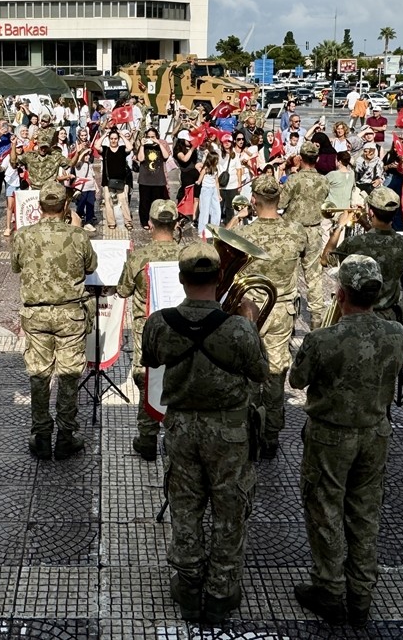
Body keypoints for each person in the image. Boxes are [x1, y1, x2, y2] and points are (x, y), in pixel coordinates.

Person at [141, 241, 268, 624]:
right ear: (220, 276)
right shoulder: (239, 328)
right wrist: (249, 320)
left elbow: (151, 359)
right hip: (229, 431)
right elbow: (261, 372)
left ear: (181, 279)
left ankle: (188, 585)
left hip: (181, 428)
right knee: (230, 509)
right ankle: (221, 592)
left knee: (185, 505)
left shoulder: (159, 323)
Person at [290, 254, 403, 627]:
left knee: (325, 508)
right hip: (375, 433)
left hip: (330, 436)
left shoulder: (322, 339)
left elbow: (296, 379)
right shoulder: (397, 334)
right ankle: (361, 594)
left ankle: (329, 589)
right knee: (365, 511)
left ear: (340, 294)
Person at [10, 182, 96, 461]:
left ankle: (42, 436)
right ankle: (66, 437)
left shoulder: (23, 235)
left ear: (39, 206)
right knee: (69, 376)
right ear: (65, 206)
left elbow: (16, 266)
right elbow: (91, 266)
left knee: (39, 375)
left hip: (36, 316)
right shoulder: (78, 235)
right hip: (70, 315)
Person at [236, 174, 308, 457]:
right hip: (282, 310)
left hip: (250, 309)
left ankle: (249, 429)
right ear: (279, 199)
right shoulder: (296, 232)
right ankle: (271, 436)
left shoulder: (244, 234)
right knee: (276, 372)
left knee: (249, 370)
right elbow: (310, 266)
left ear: (253, 200)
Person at [115, 199, 183, 460]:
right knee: (179, 380)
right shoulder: (187, 255)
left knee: (147, 382)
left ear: (150, 224)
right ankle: (176, 435)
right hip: (181, 329)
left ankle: (147, 439)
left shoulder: (139, 257)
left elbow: (123, 290)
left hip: (148, 331)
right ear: (176, 224)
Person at [324, 187, 403, 324]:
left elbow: (325, 259)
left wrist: (340, 226)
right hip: (390, 319)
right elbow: (381, 241)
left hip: (358, 318)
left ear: (371, 212)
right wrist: (365, 223)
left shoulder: (354, 243)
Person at [280, 142, 329, 329]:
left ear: (300, 158)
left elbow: (281, 203)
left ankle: (290, 316)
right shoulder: (323, 180)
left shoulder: (294, 179)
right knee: (314, 275)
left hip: (293, 230)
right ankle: (316, 316)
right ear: (317, 159)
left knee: (290, 274)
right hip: (314, 230)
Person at [135, 128, 172, 229]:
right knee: (144, 202)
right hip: (145, 179)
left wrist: (159, 143)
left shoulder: (160, 146)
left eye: (153, 137)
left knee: (157, 202)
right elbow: (141, 158)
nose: (151, 139)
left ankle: (156, 221)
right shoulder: (143, 147)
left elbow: (166, 156)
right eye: (148, 137)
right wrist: (142, 145)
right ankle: (145, 222)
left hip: (158, 180)